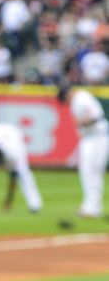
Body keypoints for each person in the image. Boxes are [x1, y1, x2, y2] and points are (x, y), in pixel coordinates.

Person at [59, 84, 109, 218]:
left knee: (92, 171)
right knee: (86, 171)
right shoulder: (76, 101)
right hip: (89, 139)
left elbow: (96, 116)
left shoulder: (82, 97)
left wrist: (82, 122)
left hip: (98, 137)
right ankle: (90, 205)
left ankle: (93, 207)